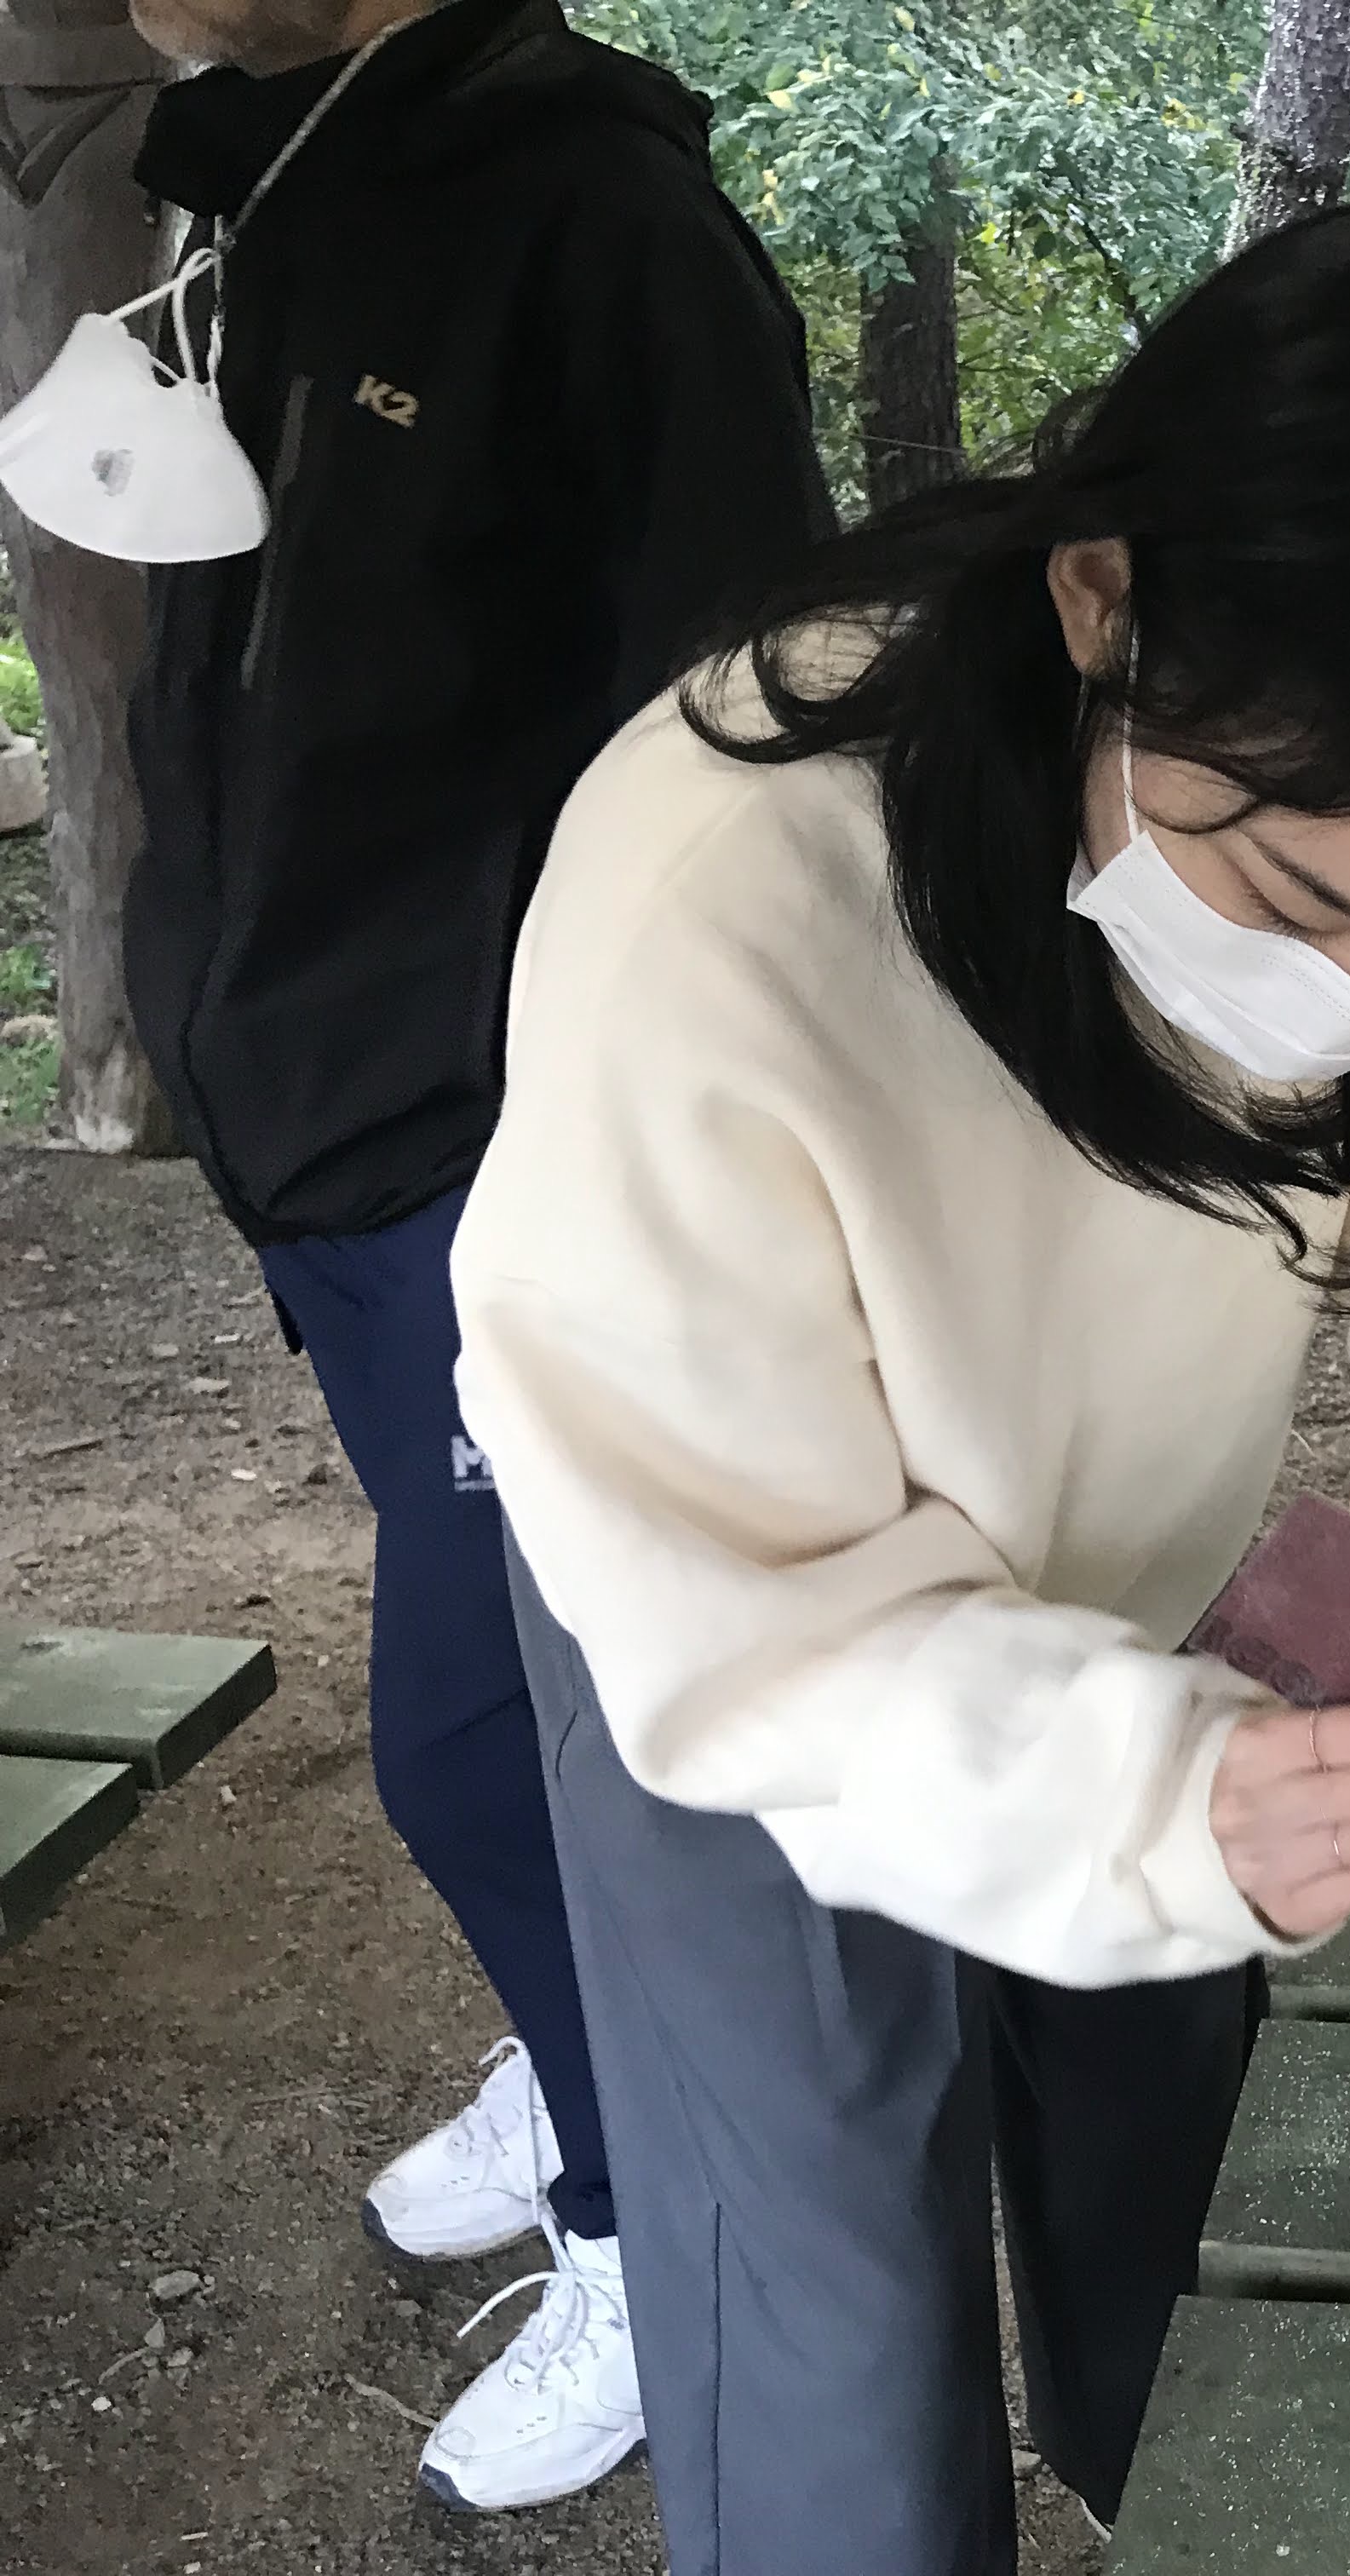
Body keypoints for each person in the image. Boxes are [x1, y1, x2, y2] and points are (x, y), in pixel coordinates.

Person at [448, 193, 1350, 2567]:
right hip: (739, 1600)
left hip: (1146, 1563)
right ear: (1103, 601)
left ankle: (1162, 2499)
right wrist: (1154, 1798)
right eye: (1300, 906)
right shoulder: (710, 902)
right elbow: (761, 1638)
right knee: (826, 2278)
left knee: (1173, 2166)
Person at [114, 0, 833, 2511]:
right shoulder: (274, 188)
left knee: (473, 1740)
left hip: (495, 1161)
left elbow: (760, 733)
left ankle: (649, 2219)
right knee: (500, 1720)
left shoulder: (609, 228)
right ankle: (581, 2054)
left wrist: (596, 1132)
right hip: (318, 1142)